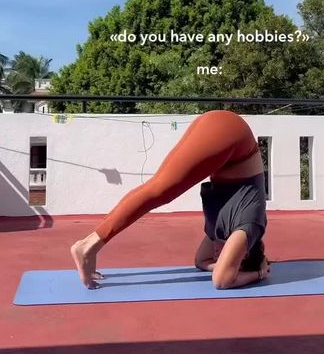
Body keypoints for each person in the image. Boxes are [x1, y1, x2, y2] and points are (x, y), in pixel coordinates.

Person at [70, 109, 270, 289]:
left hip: (226, 135)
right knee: (159, 189)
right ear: (244, 253)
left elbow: (202, 261)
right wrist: (259, 274)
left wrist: (224, 265)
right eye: (228, 258)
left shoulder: (226, 232)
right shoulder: (247, 229)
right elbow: (221, 280)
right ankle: (88, 245)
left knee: (159, 188)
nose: (218, 256)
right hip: (231, 135)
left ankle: (90, 244)